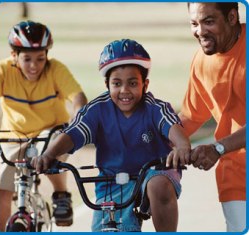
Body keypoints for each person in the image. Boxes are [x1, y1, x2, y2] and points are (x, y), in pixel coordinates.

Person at [31, 38, 191, 232]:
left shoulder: (154, 108)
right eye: (117, 83)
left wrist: (182, 146)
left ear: (145, 84)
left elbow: (172, 126)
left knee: (158, 185)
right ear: (107, 84)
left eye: (133, 83)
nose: (124, 91)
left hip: (154, 171)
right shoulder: (97, 110)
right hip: (112, 180)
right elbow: (72, 132)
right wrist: (49, 155)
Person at [0, 20, 87, 231]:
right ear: (14, 56)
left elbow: (77, 96)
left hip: (50, 130)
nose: (34, 66)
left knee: (51, 153)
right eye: (26, 59)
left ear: (47, 54)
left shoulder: (55, 69)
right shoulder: (2, 71)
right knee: (1, 188)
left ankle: (61, 194)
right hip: (14, 134)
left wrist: (79, 117)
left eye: (40, 58)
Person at [178, 3, 246, 232]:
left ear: (232, 17)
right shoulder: (201, 61)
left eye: (208, 22)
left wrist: (217, 148)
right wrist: (144, 139)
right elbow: (189, 116)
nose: (200, 31)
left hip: (224, 152)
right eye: (194, 24)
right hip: (235, 175)